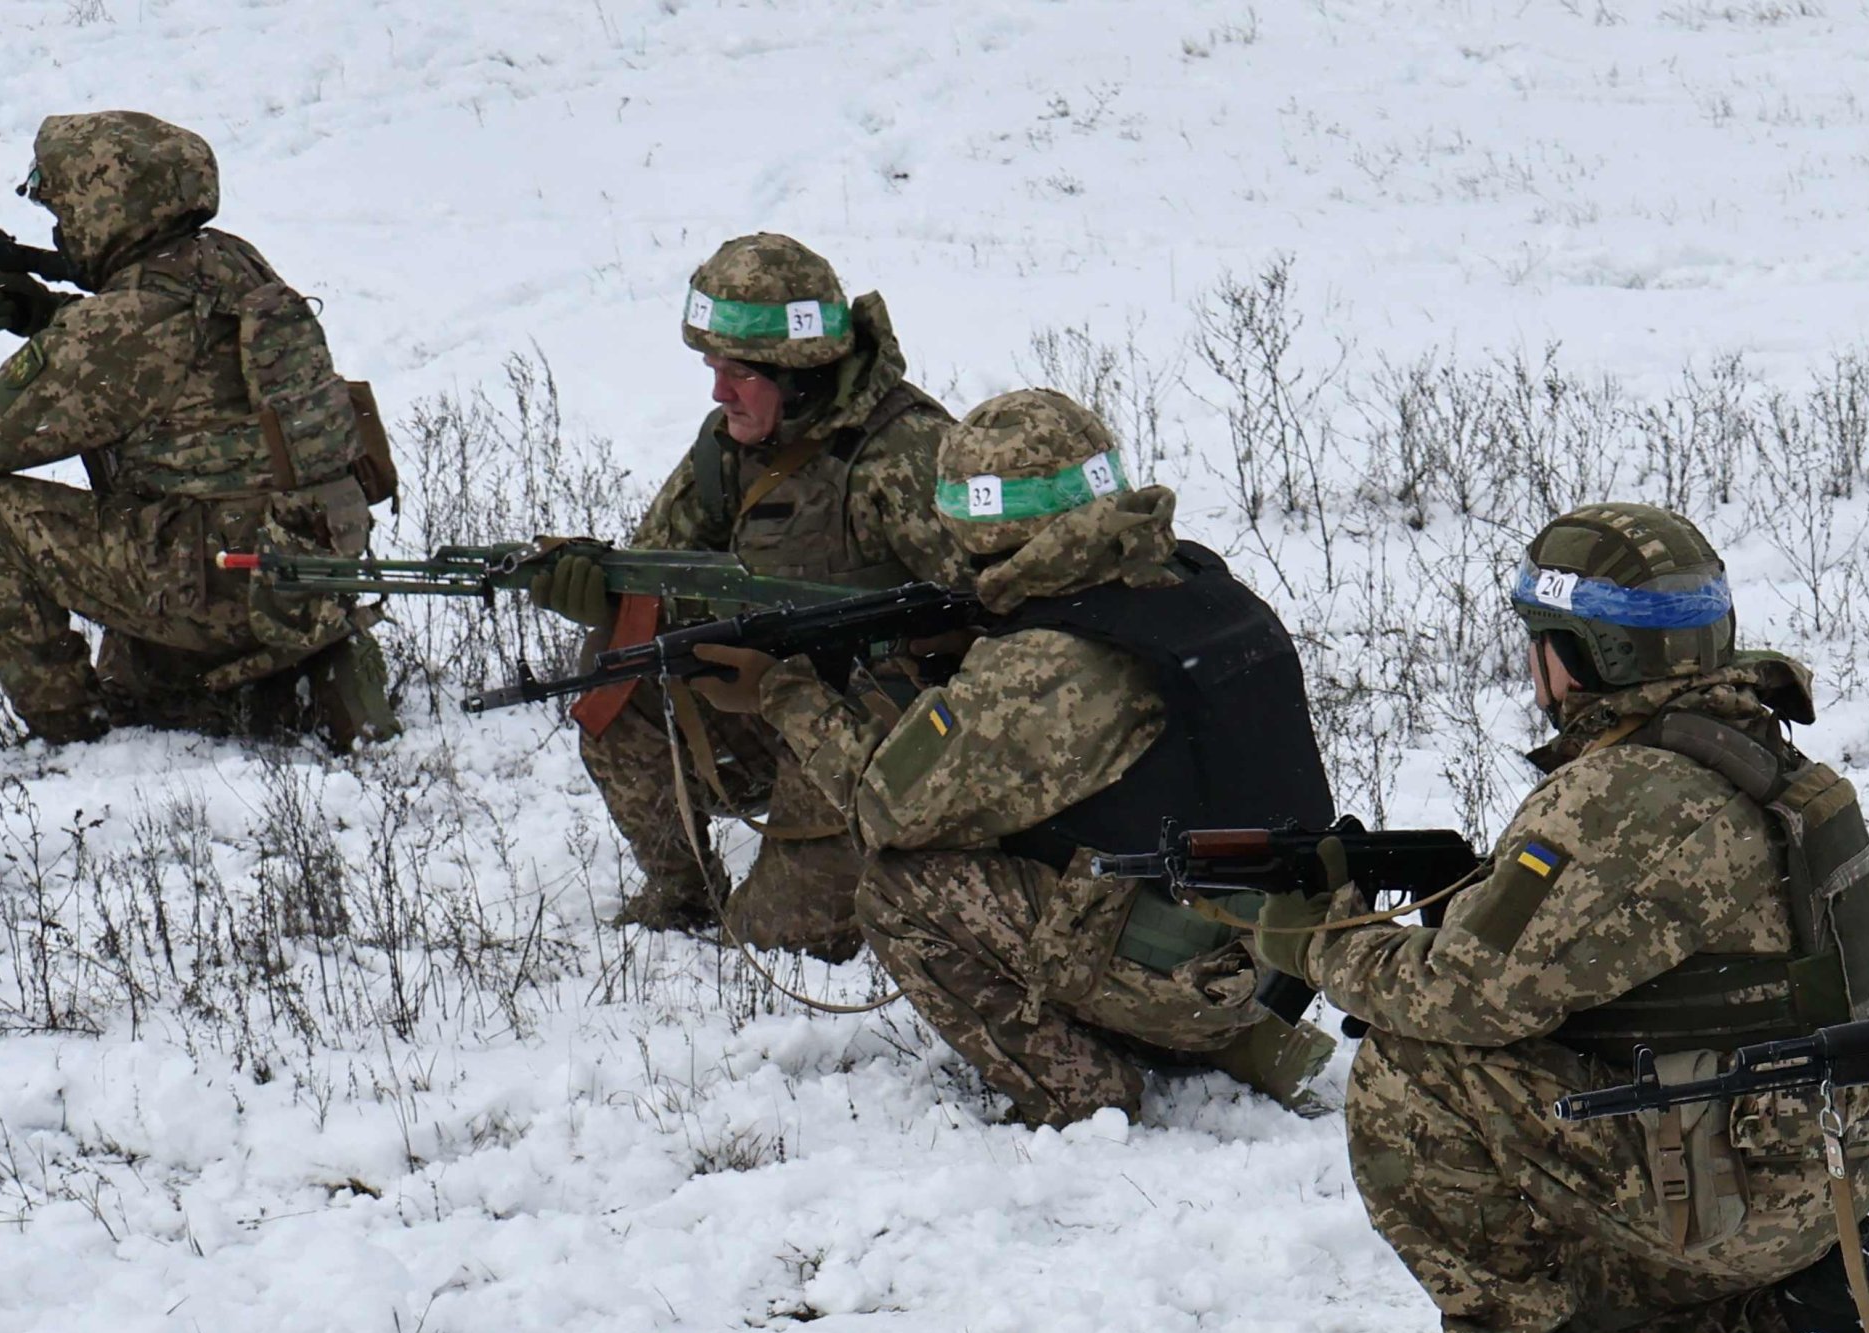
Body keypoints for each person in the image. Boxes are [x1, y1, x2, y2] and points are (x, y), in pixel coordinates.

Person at [1277, 503, 1869, 1333]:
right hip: (1833, 1167)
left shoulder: (1625, 794)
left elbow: (1463, 997)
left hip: (1746, 1194)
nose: (1532, 665)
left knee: (1411, 1066)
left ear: (1587, 653)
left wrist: (1316, 942)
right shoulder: (1759, 756)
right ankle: (1802, 1276)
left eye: (1540, 640)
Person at [732, 388, 1330, 1122]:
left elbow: (885, 809)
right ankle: (1191, 1028)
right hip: (1273, 956)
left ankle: (1079, 1089)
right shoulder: (1193, 580)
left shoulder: (1048, 660)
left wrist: (785, 694)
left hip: (1180, 980)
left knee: (899, 885)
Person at [0, 111, 393, 748]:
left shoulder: (130, 318)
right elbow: (166, 374)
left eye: (64, 210)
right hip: (302, 565)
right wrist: (49, 315)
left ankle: (74, 736)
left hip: (227, 578)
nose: (58, 228)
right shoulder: (230, 261)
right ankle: (211, 686)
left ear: (104, 204)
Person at [524, 234, 955, 956]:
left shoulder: (907, 457)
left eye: (740, 374)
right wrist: (600, 592)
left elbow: (988, 622)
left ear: (802, 374)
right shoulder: (730, 443)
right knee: (617, 683)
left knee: (781, 939)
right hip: (769, 704)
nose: (718, 393)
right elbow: (664, 564)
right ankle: (682, 889)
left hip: (868, 736)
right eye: (711, 369)